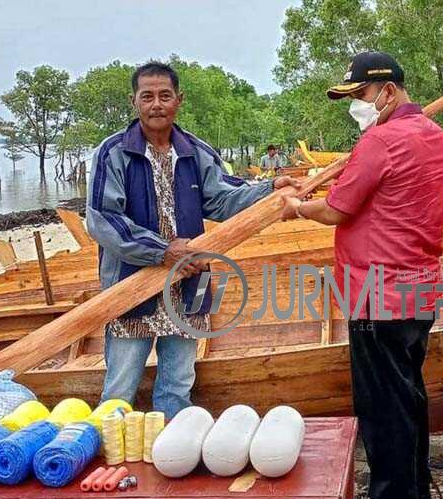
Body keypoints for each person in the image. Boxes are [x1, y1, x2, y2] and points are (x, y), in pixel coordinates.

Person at [280, 51, 443, 499]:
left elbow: (336, 210)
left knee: (382, 407)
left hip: (378, 291)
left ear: (389, 91)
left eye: (360, 95)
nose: (357, 104)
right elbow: (371, 187)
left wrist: (296, 206)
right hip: (419, 286)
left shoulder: (381, 139)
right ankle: (413, 492)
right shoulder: (433, 136)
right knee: (409, 396)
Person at [86, 62, 301, 419]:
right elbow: (103, 220)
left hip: (191, 281)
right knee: (120, 385)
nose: (156, 104)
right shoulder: (113, 152)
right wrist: (163, 250)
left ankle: (173, 455)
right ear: (134, 101)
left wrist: (269, 190)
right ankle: (111, 461)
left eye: (165, 96)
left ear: (179, 100)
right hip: (131, 282)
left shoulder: (195, 151)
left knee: (178, 384)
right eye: (147, 96)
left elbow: (223, 198)